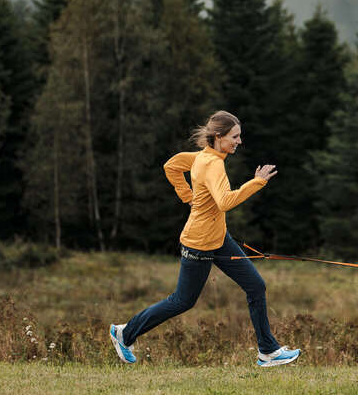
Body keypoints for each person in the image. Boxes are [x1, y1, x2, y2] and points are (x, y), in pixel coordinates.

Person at [109, 110, 300, 367]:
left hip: (219, 238)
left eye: (239, 136)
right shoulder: (212, 163)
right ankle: (125, 333)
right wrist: (257, 182)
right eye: (234, 137)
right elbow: (225, 202)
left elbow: (171, 166)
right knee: (182, 301)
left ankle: (268, 351)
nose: (239, 141)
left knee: (256, 286)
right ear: (219, 137)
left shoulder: (203, 157)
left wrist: (189, 197)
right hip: (199, 243)